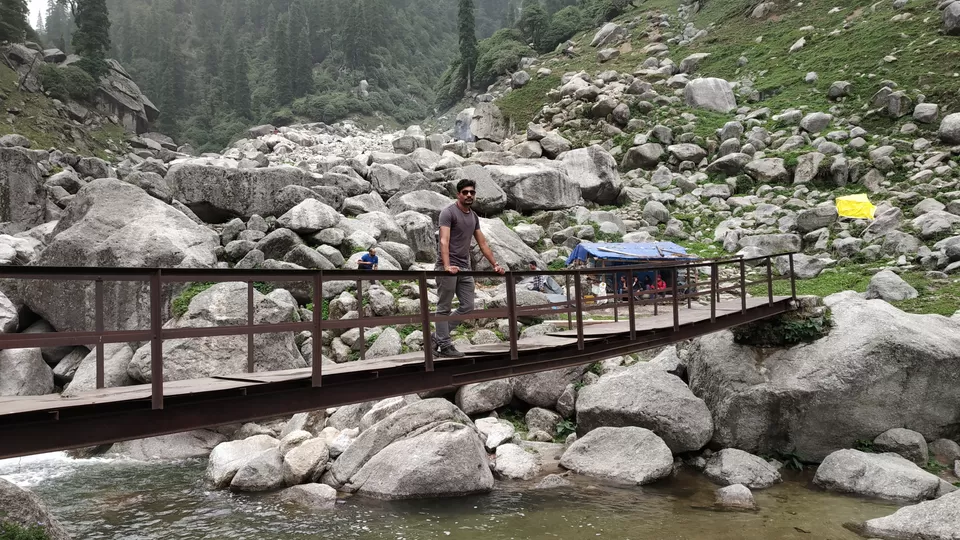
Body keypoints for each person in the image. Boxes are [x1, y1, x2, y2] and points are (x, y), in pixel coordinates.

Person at [434, 179, 505, 358]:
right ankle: (444, 344)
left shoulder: (473, 217)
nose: (469, 195)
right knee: (444, 306)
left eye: (471, 192)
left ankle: (437, 337)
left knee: (468, 306)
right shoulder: (448, 213)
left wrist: (495, 264)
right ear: (458, 194)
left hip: (465, 267)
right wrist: (447, 265)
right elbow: (444, 240)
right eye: (465, 192)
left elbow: (482, 243)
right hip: (446, 266)